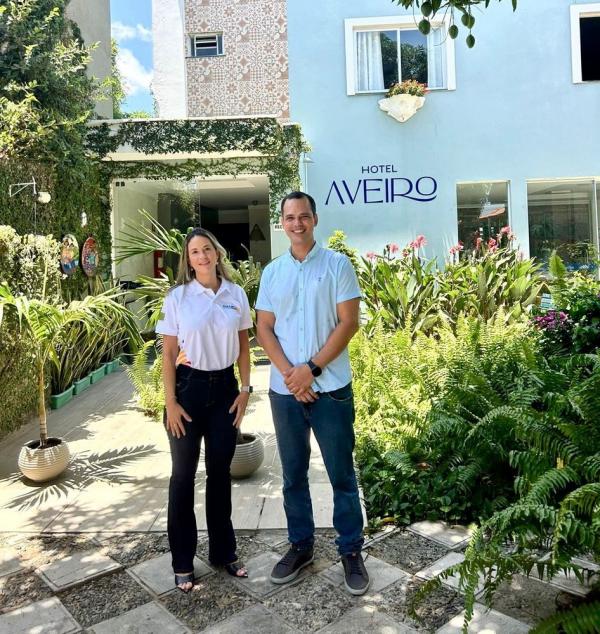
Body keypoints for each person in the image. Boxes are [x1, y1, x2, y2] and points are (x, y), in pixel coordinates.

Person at [256, 191, 370, 596]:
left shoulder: (338, 265)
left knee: (341, 473)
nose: (297, 223)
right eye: (290, 217)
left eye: (304, 216)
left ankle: (350, 550)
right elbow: (264, 328)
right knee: (292, 476)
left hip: (331, 388)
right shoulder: (272, 272)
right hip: (285, 393)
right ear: (282, 223)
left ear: (315, 220)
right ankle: (301, 546)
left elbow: (348, 322)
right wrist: (292, 375)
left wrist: (312, 370)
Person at [156, 227, 253, 593]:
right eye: (194, 251)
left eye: (207, 249)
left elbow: (244, 346)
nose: (201, 256)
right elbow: (167, 353)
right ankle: (182, 561)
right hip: (188, 390)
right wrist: (171, 403)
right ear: (188, 259)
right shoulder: (178, 297)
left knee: (219, 474)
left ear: (217, 254)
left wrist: (245, 390)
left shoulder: (236, 294)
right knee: (182, 477)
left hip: (225, 389)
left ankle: (223, 552)